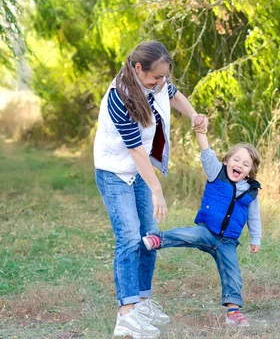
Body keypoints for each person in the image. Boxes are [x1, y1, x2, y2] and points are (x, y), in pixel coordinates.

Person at [93, 41, 207, 339]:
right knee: (130, 237)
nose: (160, 83)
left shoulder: (157, 82)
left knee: (151, 236)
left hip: (139, 169)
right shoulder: (120, 97)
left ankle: (142, 303)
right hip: (115, 171)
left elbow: (174, 95)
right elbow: (136, 152)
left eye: (163, 77)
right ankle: (126, 315)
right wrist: (157, 189)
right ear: (137, 67)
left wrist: (193, 115)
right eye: (155, 77)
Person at [142, 114, 262, 327]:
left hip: (228, 242)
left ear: (250, 171)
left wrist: (256, 239)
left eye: (245, 164)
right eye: (235, 160)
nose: (239, 165)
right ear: (226, 161)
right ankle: (158, 239)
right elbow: (206, 154)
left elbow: (254, 217)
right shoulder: (217, 173)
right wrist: (201, 133)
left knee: (233, 273)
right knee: (187, 234)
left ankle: (232, 312)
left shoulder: (251, 191)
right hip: (207, 231)